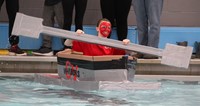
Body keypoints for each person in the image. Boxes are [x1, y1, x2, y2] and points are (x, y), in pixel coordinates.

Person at [64, 18, 130, 56]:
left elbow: (129, 53)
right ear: (97, 29)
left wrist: (127, 45)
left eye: (109, 28)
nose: (106, 29)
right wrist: (75, 36)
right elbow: (67, 44)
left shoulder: (112, 45)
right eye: (104, 27)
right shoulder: (88, 42)